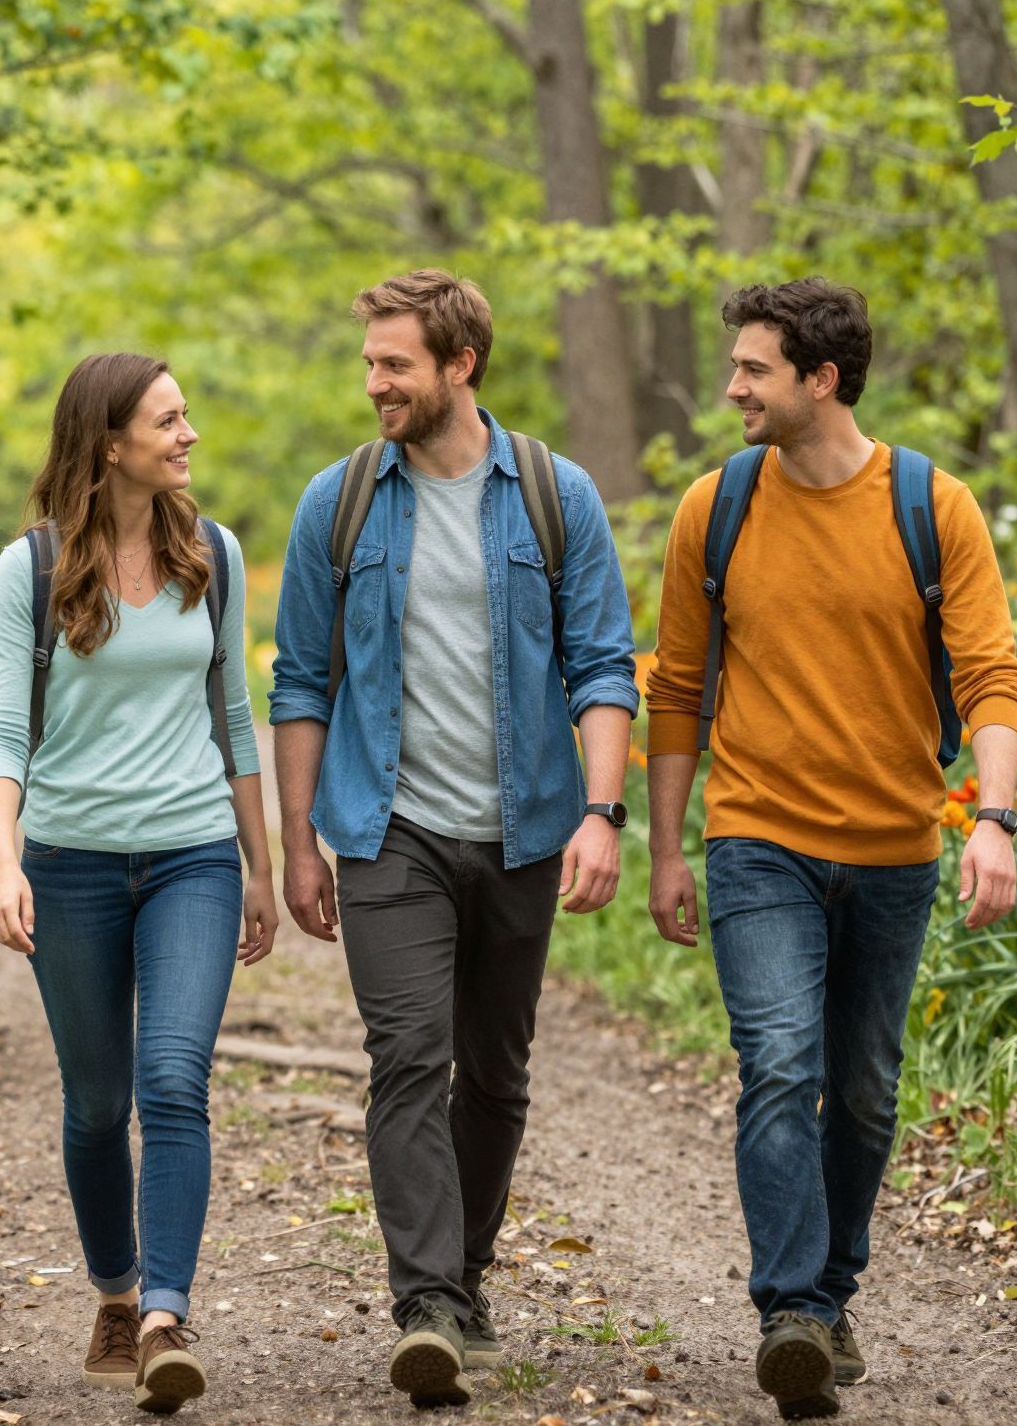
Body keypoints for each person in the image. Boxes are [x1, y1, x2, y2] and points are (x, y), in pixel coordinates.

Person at [644, 279, 1017, 1420]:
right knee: (779, 1063)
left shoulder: (931, 505)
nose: (731, 389)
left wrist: (990, 818)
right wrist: (663, 847)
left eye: (753, 369)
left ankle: (832, 1292)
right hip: (756, 837)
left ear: (820, 378)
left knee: (859, 1091)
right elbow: (674, 690)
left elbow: (990, 676)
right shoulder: (712, 509)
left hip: (894, 848)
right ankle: (791, 1314)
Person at [270, 270, 640, 1408]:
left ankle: (466, 1276)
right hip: (389, 833)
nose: (373, 383)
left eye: (394, 364)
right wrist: (296, 843)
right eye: (369, 362)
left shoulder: (551, 493)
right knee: (405, 1057)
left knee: (494, 1071)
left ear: (457, 365)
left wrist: (598, 812)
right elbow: (299, 681)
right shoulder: (334, 503)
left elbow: (602, 663)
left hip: (525, 828)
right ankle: (425, 1302)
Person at [0, 352, 278, 1415]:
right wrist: (3, 860)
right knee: (98, 1104)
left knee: (173, 1082)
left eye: (186, 415)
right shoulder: (34, 565)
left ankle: (164, 1316)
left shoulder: (215, 556)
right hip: (69, 863)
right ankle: (114, 1289)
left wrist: (259, 865)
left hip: (192, 851)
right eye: (167, 418)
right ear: (109, 443)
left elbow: (232, 715)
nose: (187, 434)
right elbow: (4, 727)